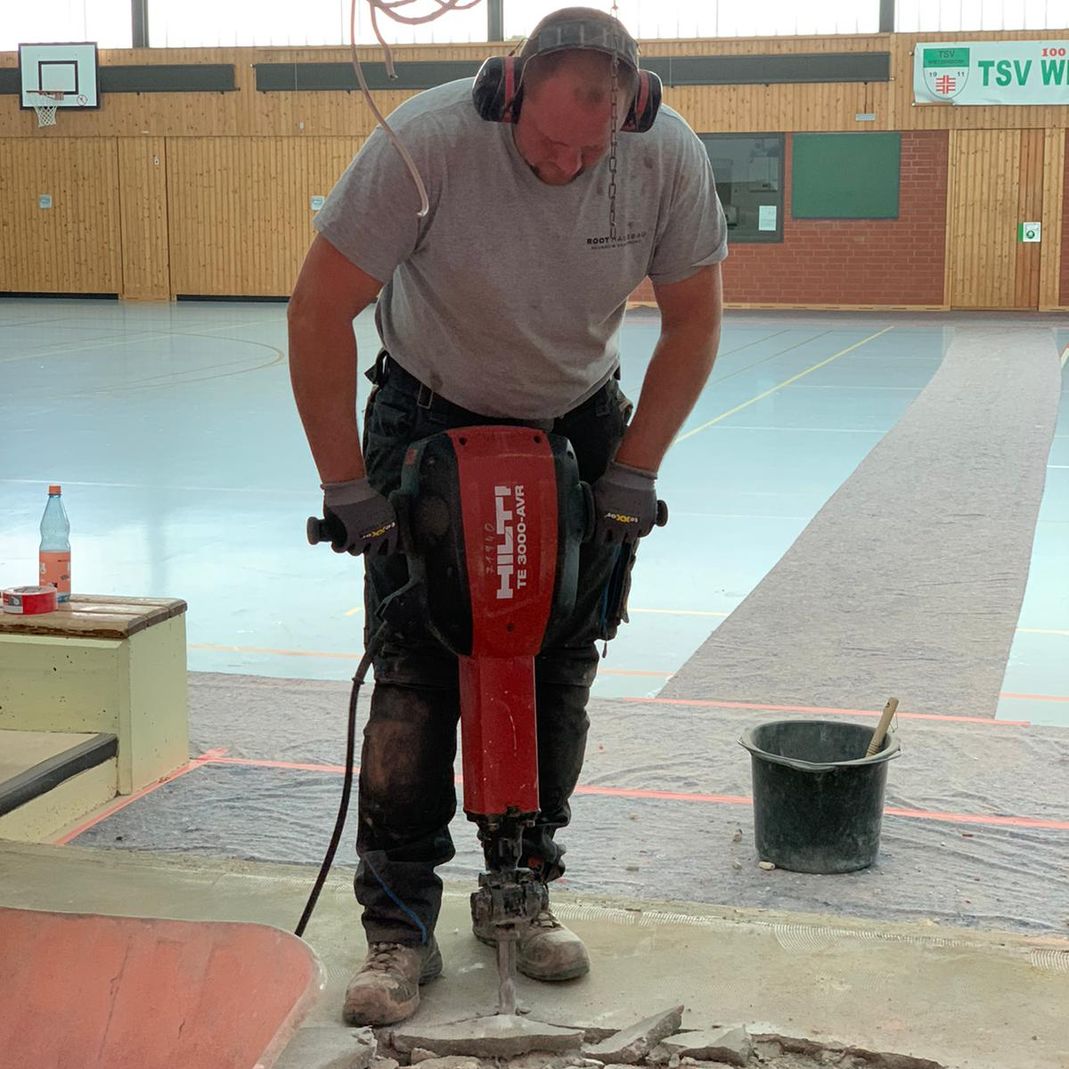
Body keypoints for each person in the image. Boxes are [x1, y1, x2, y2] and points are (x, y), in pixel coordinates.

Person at [288, 5, 727, 1027]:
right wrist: (346, 485)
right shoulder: (426, 141)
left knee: (558, 666)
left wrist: (634, 468)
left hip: (576, 421)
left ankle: (520, 892)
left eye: (593, 147)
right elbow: (317, 309)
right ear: (511, 87)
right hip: (426, 406)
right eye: (549, 142)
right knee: (413, 671)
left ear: (631, 111)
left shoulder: (664, 155)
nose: (570, 165)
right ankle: (397, 925)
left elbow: (697, 320)